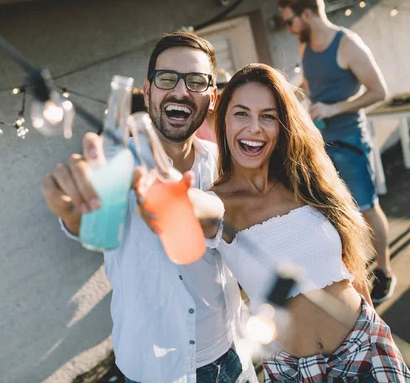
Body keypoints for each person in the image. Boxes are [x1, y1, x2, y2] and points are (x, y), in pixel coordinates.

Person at [41, 32, 257, 383]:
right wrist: (70, 209)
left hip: (228, 355)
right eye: (167, 78)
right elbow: (85, 221)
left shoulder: (228, 165)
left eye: (196, 81)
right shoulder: (114, 166)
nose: (180, 91)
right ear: (149, 89)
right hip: (152, 370)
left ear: (213, 97)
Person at [200, 63, 410, 381]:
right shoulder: (214, 204)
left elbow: (350, 266)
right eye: (241, 113)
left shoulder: (305, 178)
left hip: (363, 346)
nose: (254, 128)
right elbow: (181, 210)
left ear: (282, 123)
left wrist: (378, 332)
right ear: (223, 120)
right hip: (292, 371)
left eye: (268, 116)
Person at [278, 0, 396, 303]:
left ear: (306, 13)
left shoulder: (348, 44)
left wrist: (334, 108)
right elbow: (311, 84)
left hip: (350, 139)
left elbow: (379, 91)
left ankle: (384, 270)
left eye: (290, 21)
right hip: (319, 142)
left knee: (367, 208)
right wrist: (293, 94)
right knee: (333, 211)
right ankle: (349, 273)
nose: (288, 29)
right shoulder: (306, 46)